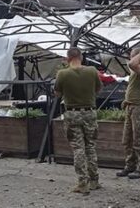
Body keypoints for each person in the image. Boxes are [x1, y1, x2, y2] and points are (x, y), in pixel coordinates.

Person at [54, 47, 102, 195]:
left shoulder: (62, 74)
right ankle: (94, 180)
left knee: (78, 148)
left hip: (72, 114)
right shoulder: (92, 71)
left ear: (68, 58)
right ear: (81, 57)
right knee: (91, 147)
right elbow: (98, 89)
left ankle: (83, 183)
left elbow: (57, 94)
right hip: (90, 113)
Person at [116, 48, 140, 179]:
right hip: (131, 106)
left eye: (133, 57)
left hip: (139, 108)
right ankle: (130, 165)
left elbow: (131, 64)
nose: (130, 59)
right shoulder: (137, 71)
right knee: (128, 139)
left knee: (139, 139)